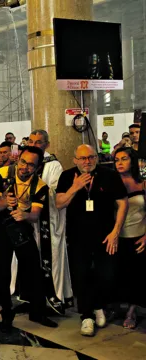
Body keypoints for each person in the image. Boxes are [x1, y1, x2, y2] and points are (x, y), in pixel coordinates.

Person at [56, 145, 128, 337]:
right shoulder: (66, 176)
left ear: (96, 158)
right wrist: (75, 187)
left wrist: (115, 231)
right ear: (75, 160)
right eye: (82, 158)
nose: (86, 161)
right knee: (81, 275)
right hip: (78, 236)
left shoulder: (109, 175)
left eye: (90, 157)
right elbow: (59, 203)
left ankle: (98, 305)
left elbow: (122, 203)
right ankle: (87, 316)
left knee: (107, 274)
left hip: (106, 236)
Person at [0, 146, 58, 332]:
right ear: (18, 158)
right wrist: (4, 203)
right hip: (0, 228)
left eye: (30, 165)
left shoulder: (41, 185)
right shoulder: (1, 174)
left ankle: (37, 312)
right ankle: (6, 312)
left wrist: (24, 215)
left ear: (38, 167)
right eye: (23, 162)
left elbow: (35, 215)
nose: (25, 167)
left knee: (33, 268)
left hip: (21, 227)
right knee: (1, 271)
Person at [21, 130, 72, 315]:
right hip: (29, 220)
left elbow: (54, 192)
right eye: (31, 141)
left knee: (50, 260)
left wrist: (34, 191)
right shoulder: (25, 161)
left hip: (47, 221)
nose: (34, 144)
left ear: (47, 145)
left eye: (39, 142)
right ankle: (32, 298)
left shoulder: (53, 165)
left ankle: (52, 299)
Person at [112, 147, 145, 329]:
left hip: (138, 237)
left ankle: (131, 312)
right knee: (115, 275)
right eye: (117, 160)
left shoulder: (142, 183)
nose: (120, 163)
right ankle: (115, 307)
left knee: (136, 276)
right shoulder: (110, 182)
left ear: (132, 161)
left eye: (124, 159)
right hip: (116, 237)